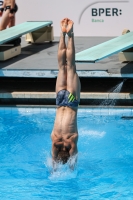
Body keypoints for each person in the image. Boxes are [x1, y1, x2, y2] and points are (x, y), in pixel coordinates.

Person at [51, 18, 81, 170]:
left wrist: (70, 168)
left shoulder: (71, 142)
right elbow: (54, 160)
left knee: (71, 67)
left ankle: (70, 35)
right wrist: (55, 167)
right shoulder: (55, 141)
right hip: (60, 102)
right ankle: (62, 35)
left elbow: (73, 160)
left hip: (71, 102)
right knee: (62, 67)